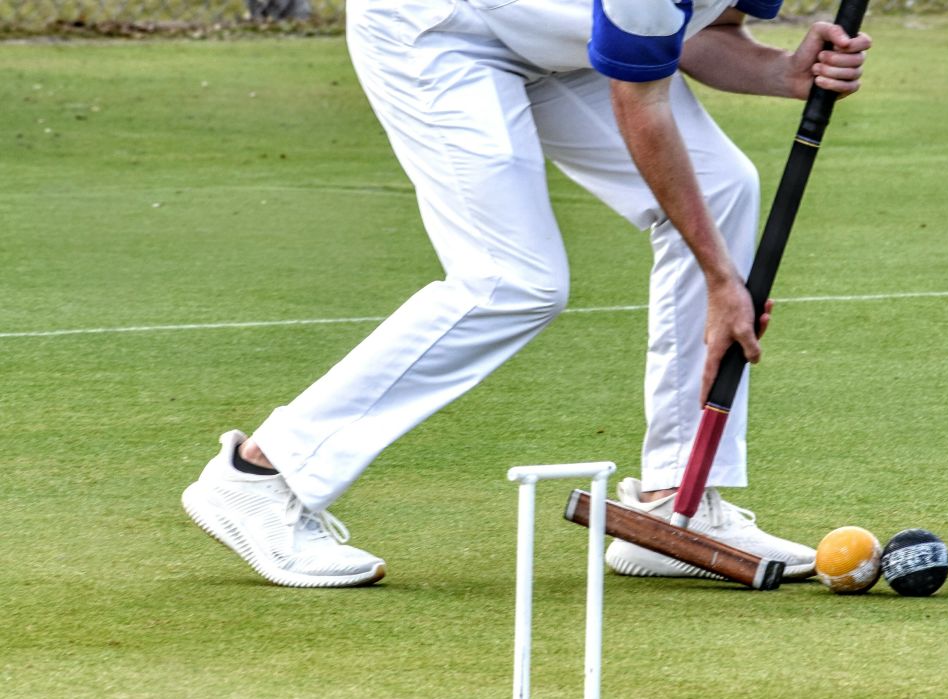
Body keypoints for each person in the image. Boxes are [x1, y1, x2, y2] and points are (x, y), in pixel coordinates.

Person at [182, 0, 872, 588]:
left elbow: (695, 29)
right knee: (512, 279)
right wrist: (724, 282)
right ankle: (261, 475)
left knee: (724, 187)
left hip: (550, 38)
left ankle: (674, 499)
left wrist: (780, 70)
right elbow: (641, 100)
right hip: (438, 26)